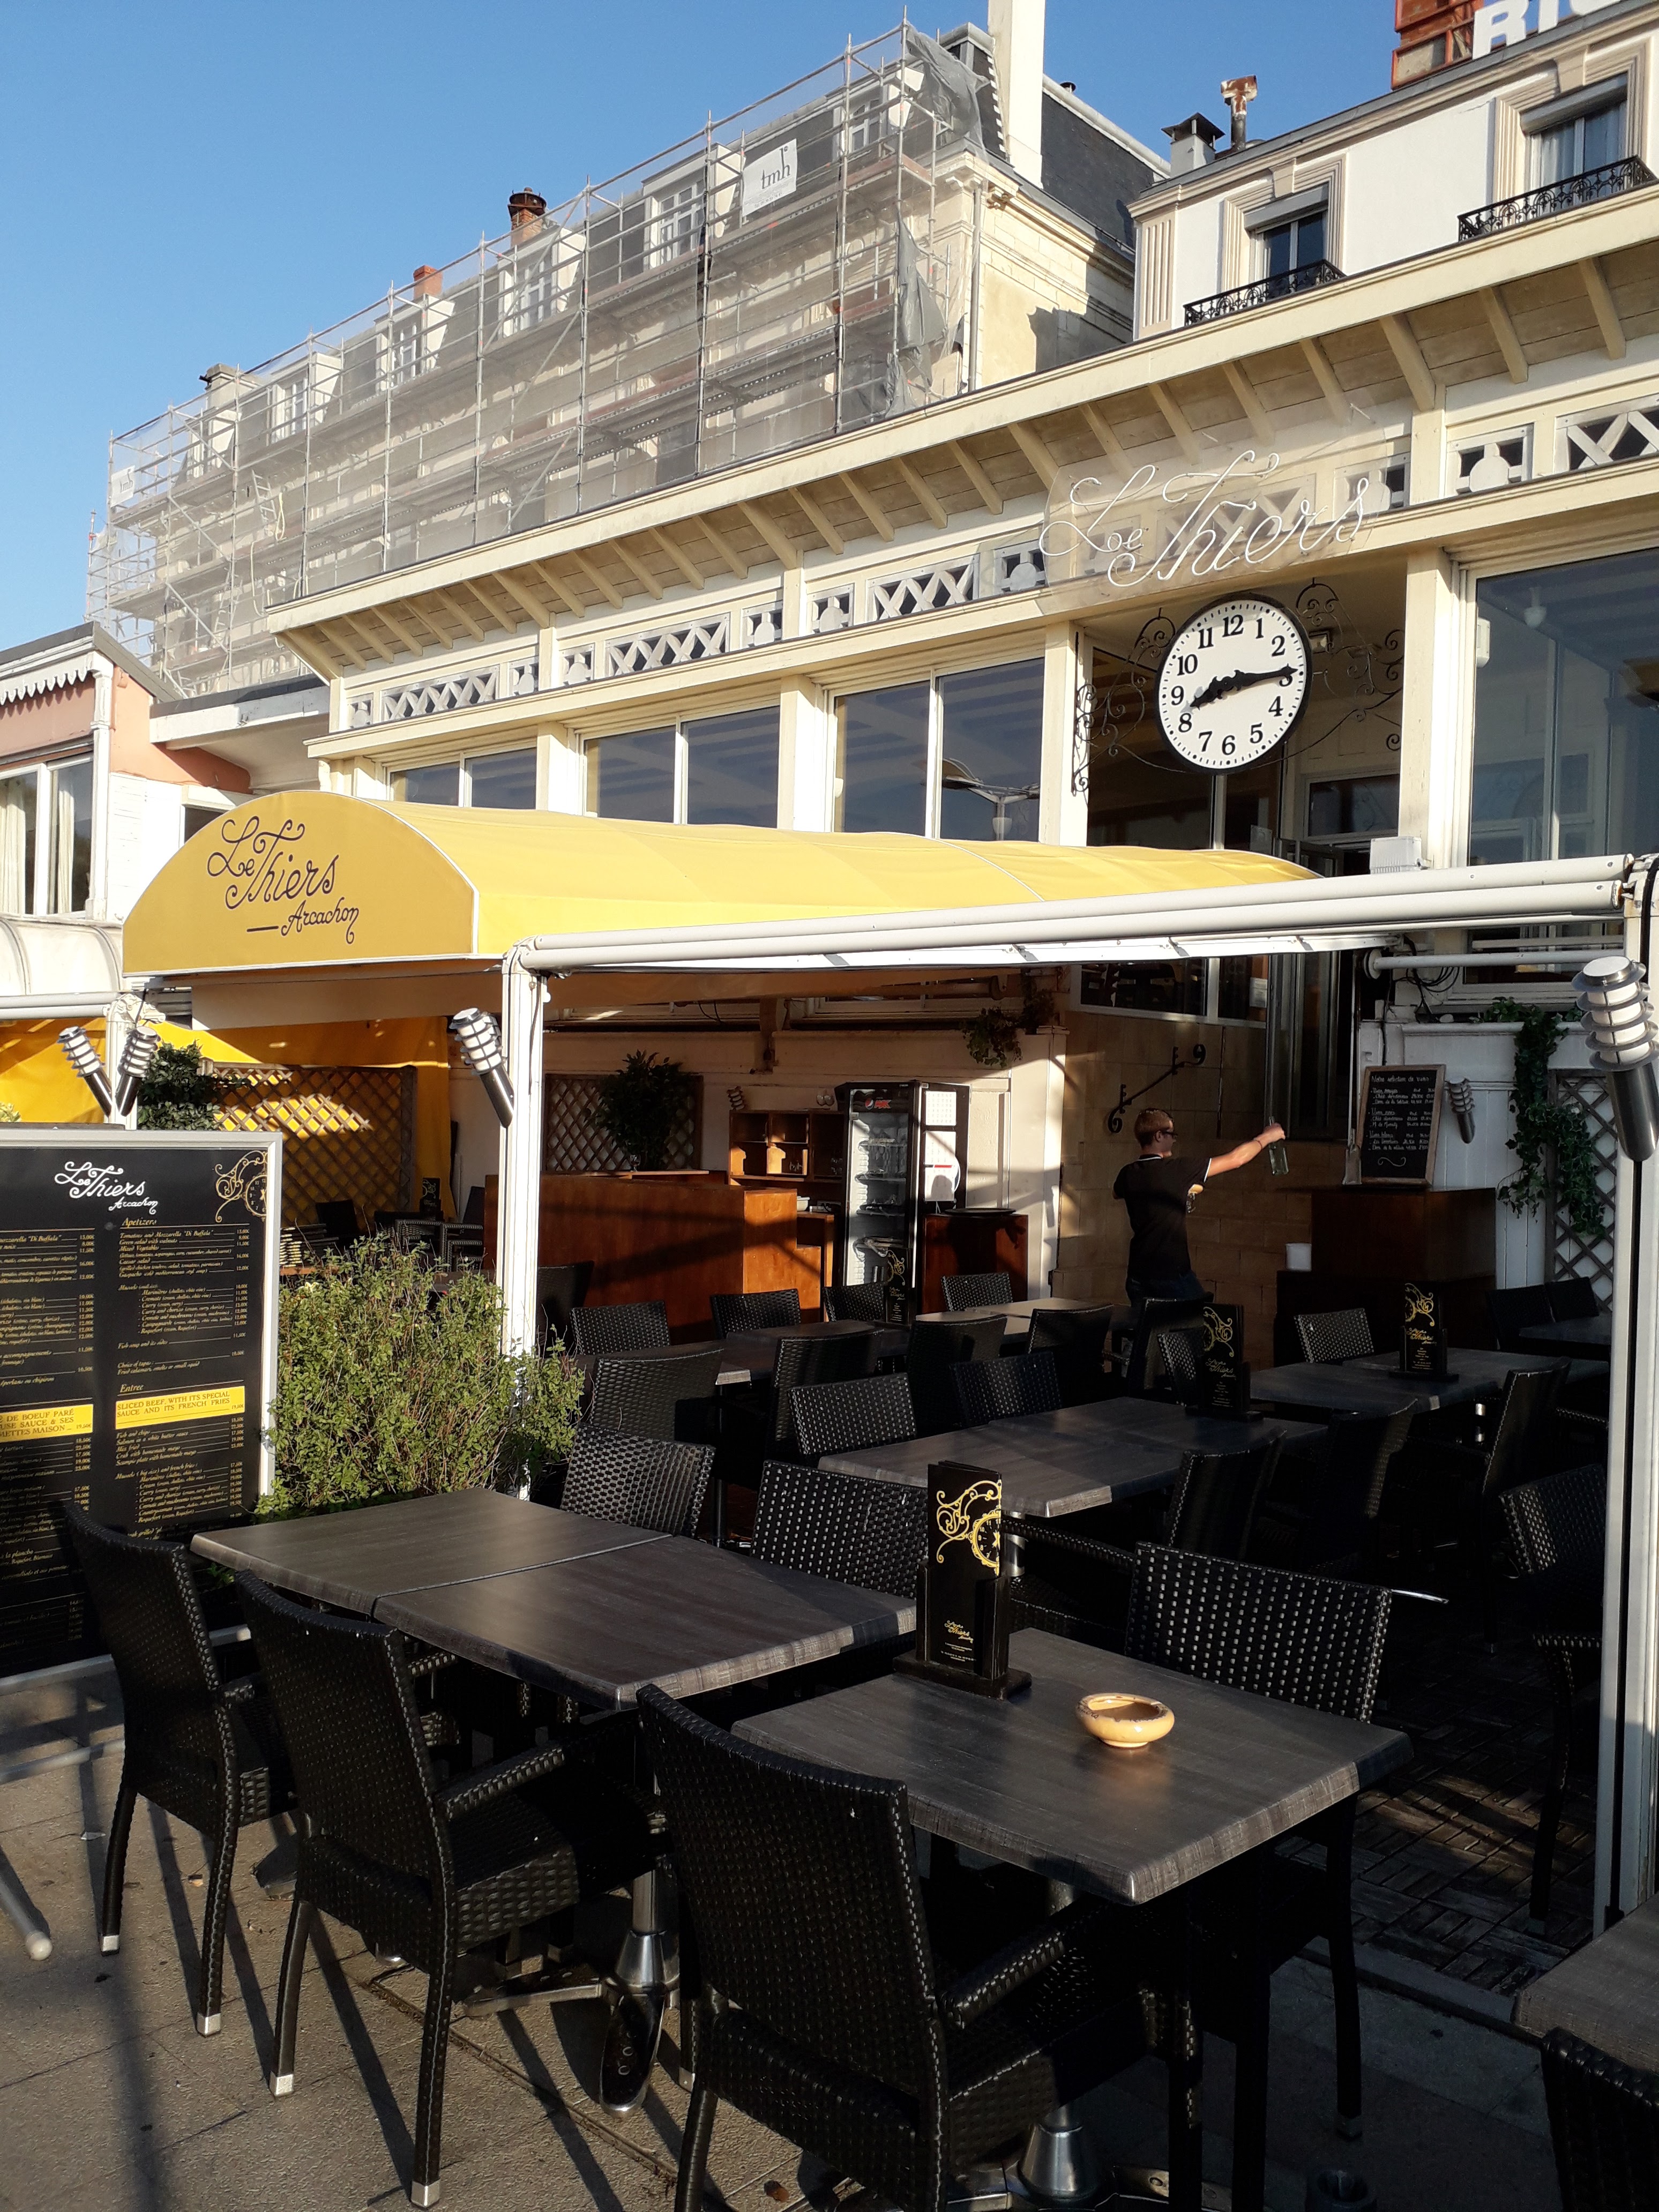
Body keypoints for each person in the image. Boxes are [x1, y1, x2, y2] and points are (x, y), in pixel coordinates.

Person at [1112, 1107, 1285, 1304]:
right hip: (1170, 1273)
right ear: (1159, 1136)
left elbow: (1116, 1193)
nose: (1174, 1140)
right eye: (1171, 1134)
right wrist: (1267, 1137)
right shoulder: (1177, 1171)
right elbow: (1237, 1159)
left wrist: (1177, 1191)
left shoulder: (1128, 1173)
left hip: (1138, 1275)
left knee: (1149, 1323)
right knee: (1202, 1319)